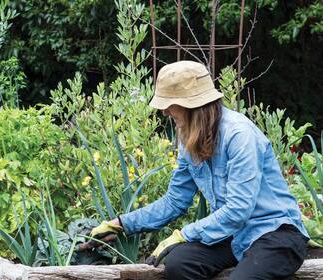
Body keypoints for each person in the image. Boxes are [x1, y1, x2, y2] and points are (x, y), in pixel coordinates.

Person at [89, 60, 310, 280]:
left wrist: (184, 234)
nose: (165, 111)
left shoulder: (239, 136)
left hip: (277, 235)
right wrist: (121, 224)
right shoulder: (190, 141)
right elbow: (175, 201)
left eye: (169, 103)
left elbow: (238, 209)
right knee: (179, 264)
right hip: (233, 235)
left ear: (192, 105)